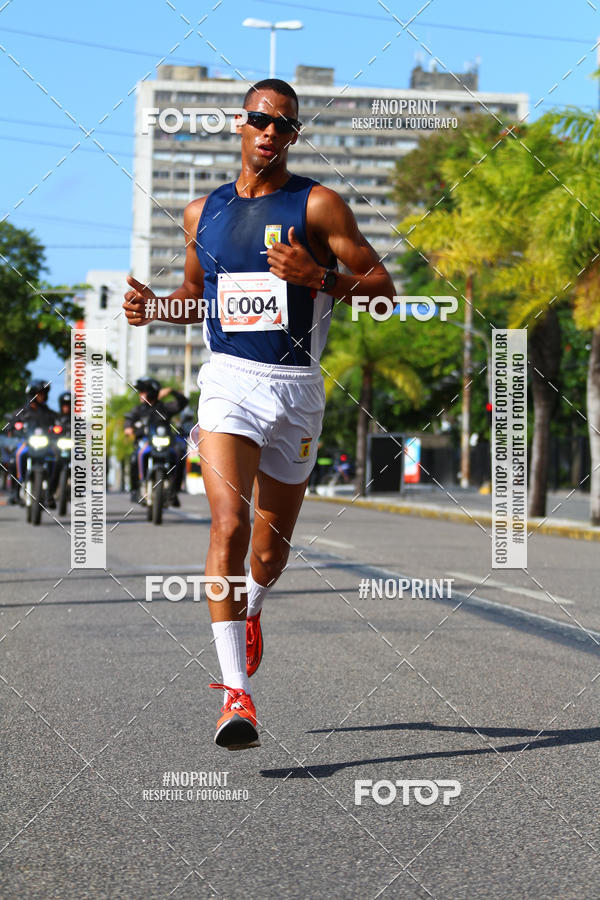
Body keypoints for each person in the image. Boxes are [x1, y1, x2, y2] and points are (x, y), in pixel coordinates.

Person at [123, 78, 395, 750]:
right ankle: (235, 696)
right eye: (260, 121)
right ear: (240, 126)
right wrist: (155, 307)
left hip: (296, 387)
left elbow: (384, 291)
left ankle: (255, 610)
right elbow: (195, 298)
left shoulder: (320, 205)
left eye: (285, 125)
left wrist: (318, 279)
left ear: (294, 137)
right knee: (230, 521)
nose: (270, 133)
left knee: (269, 553)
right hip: (228, 382)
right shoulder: (201, 214)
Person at [124, 377, 187, 504]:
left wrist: (171, 391)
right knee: (134, 457)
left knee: (180, 454)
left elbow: (183, 402)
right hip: (146, 442)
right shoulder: (139, 410)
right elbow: (129, 420)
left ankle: (173, 491)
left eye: (143, 391)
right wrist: (128, 428)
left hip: (165, 442)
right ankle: (136, 490)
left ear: (152, 392)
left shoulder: (165, 407)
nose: (140, 395)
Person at [6, 381, 58, 506]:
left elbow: (59, 423)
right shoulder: (22, 412)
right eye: (39, 394)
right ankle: (16, 491)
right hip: (26, 444)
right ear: (31, 395)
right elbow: (11, 423)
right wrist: (12, 427)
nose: (42, 396)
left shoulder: (49, 413)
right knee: (15, 458)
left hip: (45, 445)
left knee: (56, 459)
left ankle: (50, 492)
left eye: (44, 394)